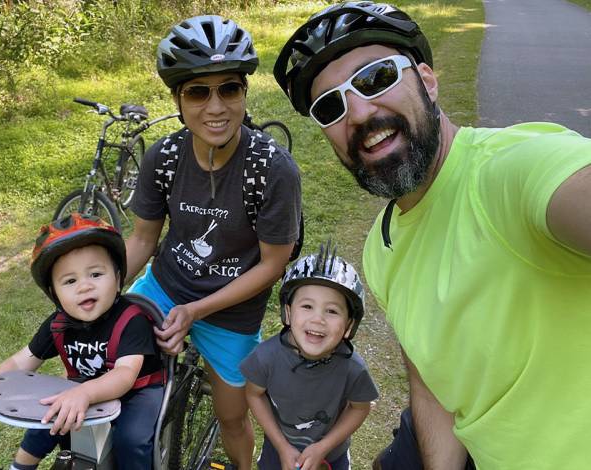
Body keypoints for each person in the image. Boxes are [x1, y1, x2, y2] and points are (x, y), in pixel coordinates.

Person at [273, 2, 591, 469]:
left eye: (376, 78)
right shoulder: (380, 250)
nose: (358, 112)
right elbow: (431, 381)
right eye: (331, 106)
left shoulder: (511, 172)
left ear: (428, 80)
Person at [125, 14, 302, 469]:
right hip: (164, 288)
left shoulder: (272, 169)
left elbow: (272, 265)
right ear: (177, 99)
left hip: (231, 311)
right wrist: (101, 292)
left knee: (232, 418)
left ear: (245, 92)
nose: (216, 106)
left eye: (229, 88)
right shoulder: (164, 157)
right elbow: (143, 240)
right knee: (113, 373)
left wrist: (197, 312)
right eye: (198, 92)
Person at [0, 213, 164, 470]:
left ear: (117, 279)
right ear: (54, 294)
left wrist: (83, 392)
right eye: (70, 281)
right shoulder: (58, 324)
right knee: (47, 419)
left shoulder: (131, 320)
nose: (84, 286)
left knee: (132, 440)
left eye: (95, 274)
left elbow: (125, 375)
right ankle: (20, 467)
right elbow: (19, 362)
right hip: (83, 387)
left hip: (138, 391)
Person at [241, 242, 378, 470]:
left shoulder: (353, 369)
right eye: (307, 306)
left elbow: (360, 407)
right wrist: (282, 446)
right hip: (278, 451)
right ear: (288, 311)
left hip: (331, 456)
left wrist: (323, 447)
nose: (318, 319)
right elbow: (254, 395)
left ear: (349, 325)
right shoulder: (265, 357)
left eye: (332, 311)